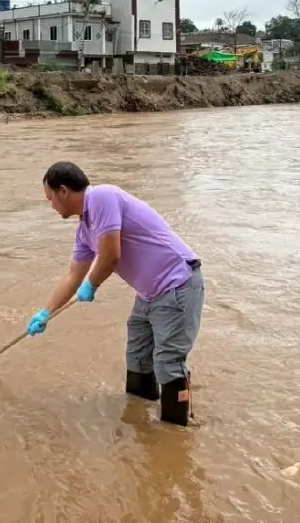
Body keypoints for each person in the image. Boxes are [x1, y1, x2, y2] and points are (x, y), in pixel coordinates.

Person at [26, 161, 205, 426]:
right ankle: (142, 422)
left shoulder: (102, 196)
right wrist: (45, 312)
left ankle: (177, 431)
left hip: (177, 285)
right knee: (138, 358)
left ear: (63, 191)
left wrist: (93, 284)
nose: (51, 206)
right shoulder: (84, 231)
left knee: (168, 361)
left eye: (50, 198)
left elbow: (111, 255)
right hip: (148, 295)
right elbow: (74, 275)